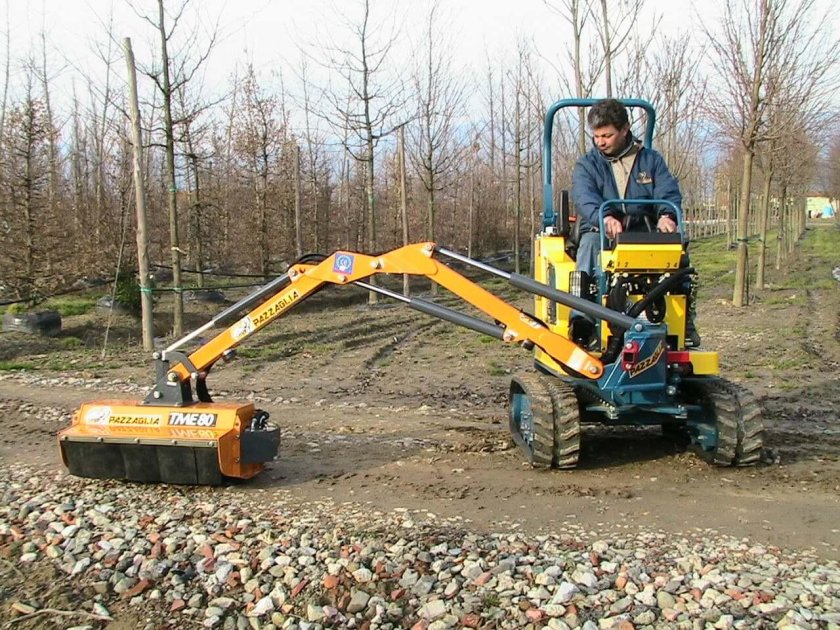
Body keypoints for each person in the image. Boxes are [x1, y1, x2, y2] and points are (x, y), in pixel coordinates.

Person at [569, 98, 701, 348]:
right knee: (589, 246)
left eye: (606, 135)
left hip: (642, 227)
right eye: (596, 136)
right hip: (601, 229)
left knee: (678, 255)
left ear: (625, 129)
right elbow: (583, 196)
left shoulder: (650, 161)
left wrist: (666, 216)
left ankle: (683, 323)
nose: (600, 142)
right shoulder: (588, 164)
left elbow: (667, 192)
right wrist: (604, 216)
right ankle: (583, 322)